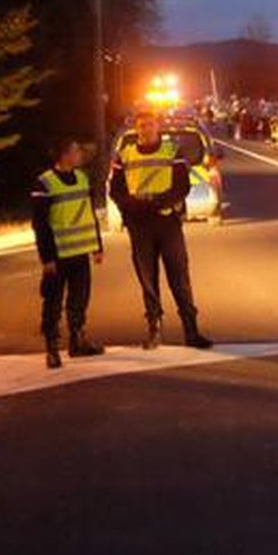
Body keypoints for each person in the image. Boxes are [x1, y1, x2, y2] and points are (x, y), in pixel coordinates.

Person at [110, 109, 214, 350]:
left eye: (150, 125)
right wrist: (134, 208)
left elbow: (182, 186)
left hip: (167, 223)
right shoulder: (124, 155)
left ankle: (191, 331)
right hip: (140, 226)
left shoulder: (172, 151)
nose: (146, 129)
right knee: (148, 280)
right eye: (142, 125)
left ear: (158, 127)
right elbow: (116, 191)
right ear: (137, 129)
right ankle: (154, 331)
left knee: (179, 278)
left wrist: (158, 203)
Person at [31, 136, 106, 368]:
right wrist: (47, 258)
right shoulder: (44, 183)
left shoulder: (82, 178)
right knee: (53, 301)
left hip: (80, 252)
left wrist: (97, 246)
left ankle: (77, 340)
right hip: (58, 255)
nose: (80, 155)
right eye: (76, 151)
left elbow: (88, 213)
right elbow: (40, 224)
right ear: (64, 155)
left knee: (79, 299)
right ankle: (52, 348)